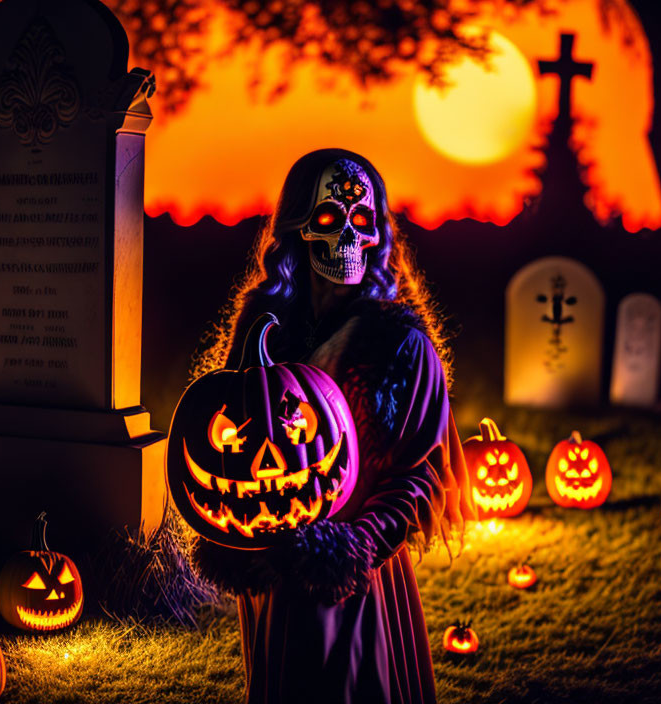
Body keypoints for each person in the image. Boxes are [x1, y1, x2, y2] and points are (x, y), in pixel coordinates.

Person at [191, 148, 474, 704]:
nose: (347, 235)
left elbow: (419, 477)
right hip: (272, 553)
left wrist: (351, 546)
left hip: (352, 570)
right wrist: (238, 534)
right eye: (327, 219)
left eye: (361, 221)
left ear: (377, 233)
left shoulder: (400, 344)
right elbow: (231, 432)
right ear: (297, 226)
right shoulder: (263, 327)